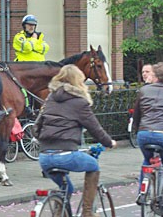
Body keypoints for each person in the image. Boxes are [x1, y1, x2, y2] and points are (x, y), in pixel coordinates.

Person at [33, 64, 116, 217]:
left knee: (67, 189)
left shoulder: (50, 98)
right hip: (65, 155)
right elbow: (95, 129)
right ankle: (87, 212)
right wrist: (109, 142)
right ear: (78, 81)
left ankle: (60, 211)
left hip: (44, 158)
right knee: (93, 166)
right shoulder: (79, 102)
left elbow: (36, 128)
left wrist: (47, 143)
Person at [133, 62, 163, 213]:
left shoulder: (144, 90)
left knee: (147, 161)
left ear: (156, 76)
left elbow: (137, 115)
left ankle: (142, 192)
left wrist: (137, 131)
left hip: (144, 134)